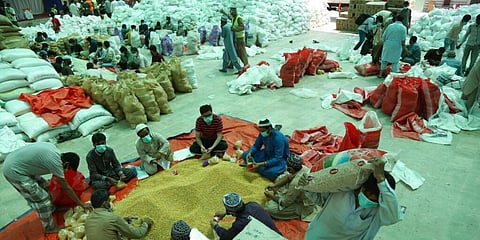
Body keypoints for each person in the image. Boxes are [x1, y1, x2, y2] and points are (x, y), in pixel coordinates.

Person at [303, 158, 404, 239]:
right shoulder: (342, 190)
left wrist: (381, 179)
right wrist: (306, 187)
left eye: (373, 200)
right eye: (366, 194)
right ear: (362, 187)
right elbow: (320, 199)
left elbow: (394, 217)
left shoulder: (380, 211)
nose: (367, 200)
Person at [2, 143, 90, 233]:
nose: (65, 171)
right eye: (67, 169)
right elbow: (66, 187)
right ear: (66, 164)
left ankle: (52, 209)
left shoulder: (56, 153)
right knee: (43, 200)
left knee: (45, 187)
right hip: (14, 171)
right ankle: (49, 228)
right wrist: (81, 204)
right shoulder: (56, 163)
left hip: (21, 165)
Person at [263, 154, 317, 221]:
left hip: (303, 204)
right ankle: (281, 194)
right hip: (299, 192)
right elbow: (289, 177)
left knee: (269, 208)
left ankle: (297, 211)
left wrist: (271, 196)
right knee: (280, 178)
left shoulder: (295, 183)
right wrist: (274, 185)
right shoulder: (303, 168)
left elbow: (285, 203)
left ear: (290, 169)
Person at [85, 189, 154, 239]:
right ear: (105, 204)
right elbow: (137, 234)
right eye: (109, 201)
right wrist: (145, 224)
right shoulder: (112, 218)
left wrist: (122, 221)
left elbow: (105, 228)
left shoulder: (88, 219)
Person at [211, 192, 282, 239]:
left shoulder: (239, 224)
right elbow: (240, 210)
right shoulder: (253, 205)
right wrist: (226, 212)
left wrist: (215, 226)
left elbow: (226, 237)